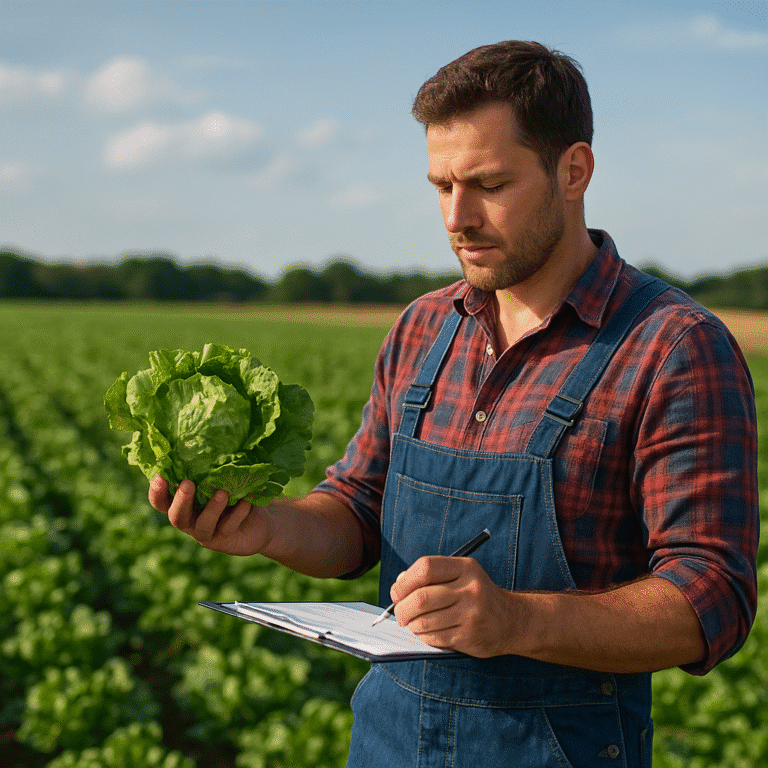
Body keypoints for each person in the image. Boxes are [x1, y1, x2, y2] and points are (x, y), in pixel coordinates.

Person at [150, 41, 759, 768]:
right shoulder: (422, 328)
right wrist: (266, 528)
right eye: (441, 185)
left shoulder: (672, 347)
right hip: (386, 744)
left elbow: (710, 597)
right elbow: (355, 512)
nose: (457, 216)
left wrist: (515, 620)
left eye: (489, 185)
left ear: (574, 171)